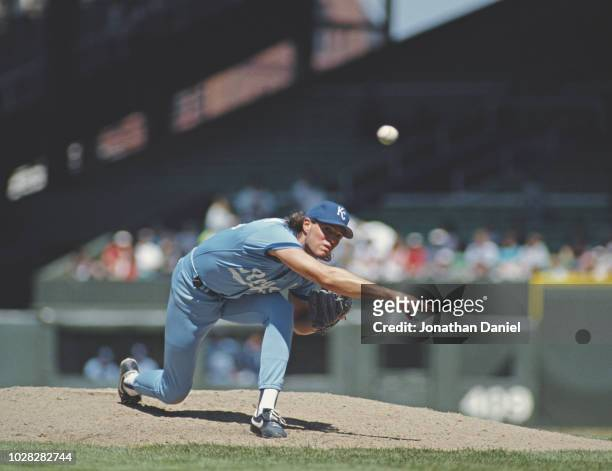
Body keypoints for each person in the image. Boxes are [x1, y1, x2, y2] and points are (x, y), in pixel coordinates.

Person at [117, 201, 397, 439]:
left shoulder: (305, 268)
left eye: (338, 235)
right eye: (327, 230)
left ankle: (265, 410)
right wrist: (390, 294)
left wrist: (322, 321)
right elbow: (328, 278)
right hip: (194, 292)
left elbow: (297, 326)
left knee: (280, 308)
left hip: (236, 298)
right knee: (173, 391)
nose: (332, 239)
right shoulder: (274, 234)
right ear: (308, 224)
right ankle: (131, 379)